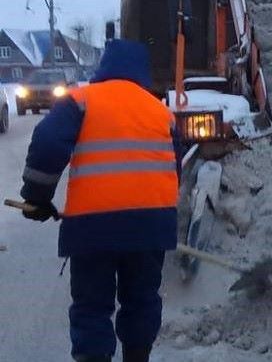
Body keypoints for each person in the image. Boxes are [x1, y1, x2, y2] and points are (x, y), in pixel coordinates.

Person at [19, 39, 182, 362]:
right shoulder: (162, 113)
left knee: (92, 307)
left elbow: (48, 140)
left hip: (93, 228)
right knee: (141, 302)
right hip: (150, 229)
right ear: (143, 73)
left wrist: (37, 197)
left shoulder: (81, 100)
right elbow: (172, 168)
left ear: (104, 67)